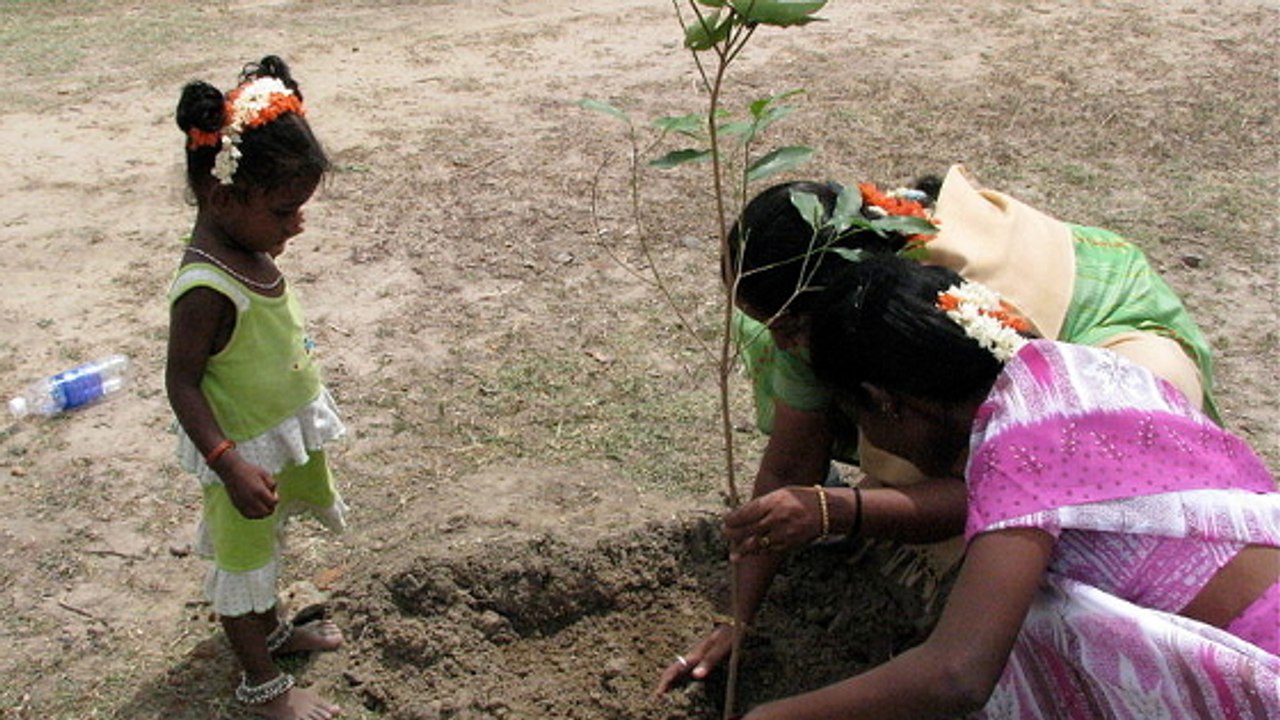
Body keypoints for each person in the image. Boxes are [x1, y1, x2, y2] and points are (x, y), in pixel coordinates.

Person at [657, 166, 1223, 692]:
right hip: (958, 407)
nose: (780, 340)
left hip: (1096, 382)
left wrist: (835, 511)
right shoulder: (815, 306)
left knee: (1050, 558)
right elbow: (788, 461)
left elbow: (1002, 497)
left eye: (786, 325)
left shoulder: (970, 320)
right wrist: (736, 614)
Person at [741, 253, 1279, 718]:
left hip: (1262, 666)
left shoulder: (1016, 447)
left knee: (1021, 624)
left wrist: (776, 716)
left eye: (858, 417)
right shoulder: (1067, 371)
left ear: (883, 400)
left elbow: (959, 674)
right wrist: (833, 510)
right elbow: (989, 508)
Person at [167, 56, 346, 720]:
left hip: (270, 444)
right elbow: (181, 384)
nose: (296, 224)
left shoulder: (247, 248)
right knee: (242, 569)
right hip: (241, 455)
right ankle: (264, 686)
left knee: (266, 549)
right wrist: (228, 462)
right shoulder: (206, 288)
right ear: (222, 198)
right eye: (283, 211)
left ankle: (272, 632)